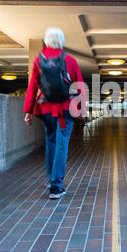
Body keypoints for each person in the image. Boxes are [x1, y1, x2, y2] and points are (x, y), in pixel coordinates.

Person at [23, 27, 86, 199]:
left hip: (46, 109)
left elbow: (33, 87)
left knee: (51, 142)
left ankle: (52, 179)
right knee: (61, 145)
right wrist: (81, 109)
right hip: (66, 109)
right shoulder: (69, 60)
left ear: (46, 41)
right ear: (62, 41)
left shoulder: (38, 60)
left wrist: (28, 110)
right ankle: (56, 187)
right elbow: (79, 86)